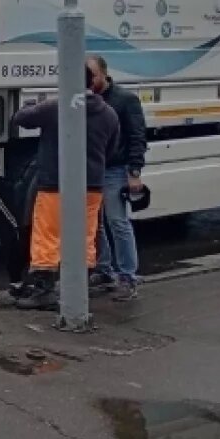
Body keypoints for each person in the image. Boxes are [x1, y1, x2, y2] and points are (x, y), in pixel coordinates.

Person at [13, 65, 119, 310]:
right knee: (85, 234)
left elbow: (20, 119)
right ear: (92, 83)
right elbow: (111, 149)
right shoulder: (108, 113)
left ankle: (44, 290)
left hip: (55, 182)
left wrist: (30, 106)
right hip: (92, 183)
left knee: (47, 235)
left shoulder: (56, 107)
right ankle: (77, 288)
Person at [89, 55, 148, 301]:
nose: (89, 80)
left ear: (104, 73)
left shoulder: (125, 100)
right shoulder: (89, 99)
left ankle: (127, 277)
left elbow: (137, 136)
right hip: (93, 168)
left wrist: (134, 172)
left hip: (115, 169)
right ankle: (105, 270)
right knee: (96, 223)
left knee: (118, 222)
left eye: (92, 75)